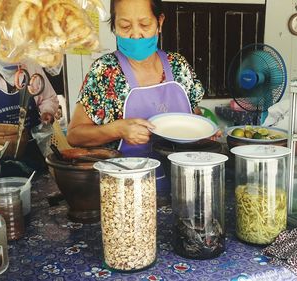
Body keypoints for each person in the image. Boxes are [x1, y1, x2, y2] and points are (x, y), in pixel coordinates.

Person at [67, 0, 208, 202]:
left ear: (159, 23)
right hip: (124, 196)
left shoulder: (179, 66)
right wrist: (118, 129)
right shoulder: (105, 72)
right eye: (125, 26)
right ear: (114, 26)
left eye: (144, 24)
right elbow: (74, 135)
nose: (135, 34)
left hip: (183, 191)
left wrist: (205, 134)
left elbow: (195, 119)